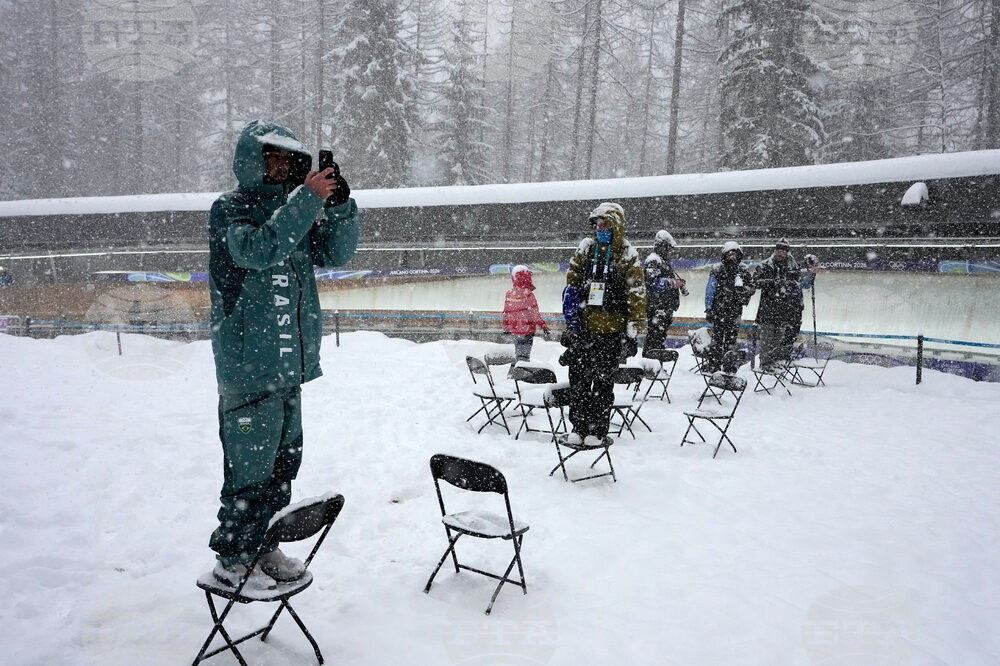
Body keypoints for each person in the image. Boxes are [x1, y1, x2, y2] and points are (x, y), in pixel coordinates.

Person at [207, 120, 360, 592]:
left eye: (288, 159)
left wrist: (338, 208)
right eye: (271, 156)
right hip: (248, 370)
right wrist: (307, 201)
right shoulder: (231, 210)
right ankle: (233, 558)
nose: (281, 165)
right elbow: (257, 251)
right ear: (252, 159)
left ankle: (264, 545)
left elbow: (337, 254)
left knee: (281, 466)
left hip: (288, 368)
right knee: (248, 469)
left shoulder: (292, 212)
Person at [560, 202, 646, 446]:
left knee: (602, 384)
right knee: (578, 382)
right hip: (584, 332)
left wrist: (633, 328)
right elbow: (571, 287)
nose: (600, 227)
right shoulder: (586, 250)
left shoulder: (628, 254)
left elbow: (636, 293)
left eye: (605, 223)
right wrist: (572, 324)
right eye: (597, 224)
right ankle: (578, 426)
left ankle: (596, 431)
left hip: (611, 334)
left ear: (616, 225)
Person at [752, 240, 819, 370]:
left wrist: (811, 274)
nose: (780, 253)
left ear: (787, 253)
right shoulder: (766, 265)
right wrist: (772, 283)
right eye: (778, 251)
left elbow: (801, 285)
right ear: (775, 251)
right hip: (768, 308)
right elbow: (756, 281)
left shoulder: (792, 267)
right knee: (767, 338)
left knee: (778, 338)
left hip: (784, 309)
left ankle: (774, 361)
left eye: (783, 251)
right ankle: (765, 363)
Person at [704, 241, 754, 373]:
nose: (732, 256)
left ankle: (729, 366)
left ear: (738, 255)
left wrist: (744, 290)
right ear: (724, 255)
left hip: (735, 311)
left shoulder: (743, 269)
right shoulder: (717, 269)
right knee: (717, 340)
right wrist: (708, 308)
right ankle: (714, 366)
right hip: (719, 311)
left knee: (731, 340)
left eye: (734, 254)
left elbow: (751, 287)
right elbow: (710, 289)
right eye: (729, 254)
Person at [642, 230, 687, 353]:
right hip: (658, 307)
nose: (671, 252)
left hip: (664, 307)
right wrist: (673, 283)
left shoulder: (663, 262)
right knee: (655, 338)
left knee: (659, 338)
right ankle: (652, 364)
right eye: (669, 249)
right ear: (663, 247)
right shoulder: (654, 261)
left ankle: (656, 364)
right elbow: (652, 283)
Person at [502, 265, 550, 369]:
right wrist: (543, 326)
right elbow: (534, 314)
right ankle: (519, 376)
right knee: (524, 356)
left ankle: (513, 374)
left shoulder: (509, 294)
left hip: (515, 330)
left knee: (518, 353)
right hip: (527, 330)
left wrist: (505, 327)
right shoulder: (528, 295)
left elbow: (506, 311)